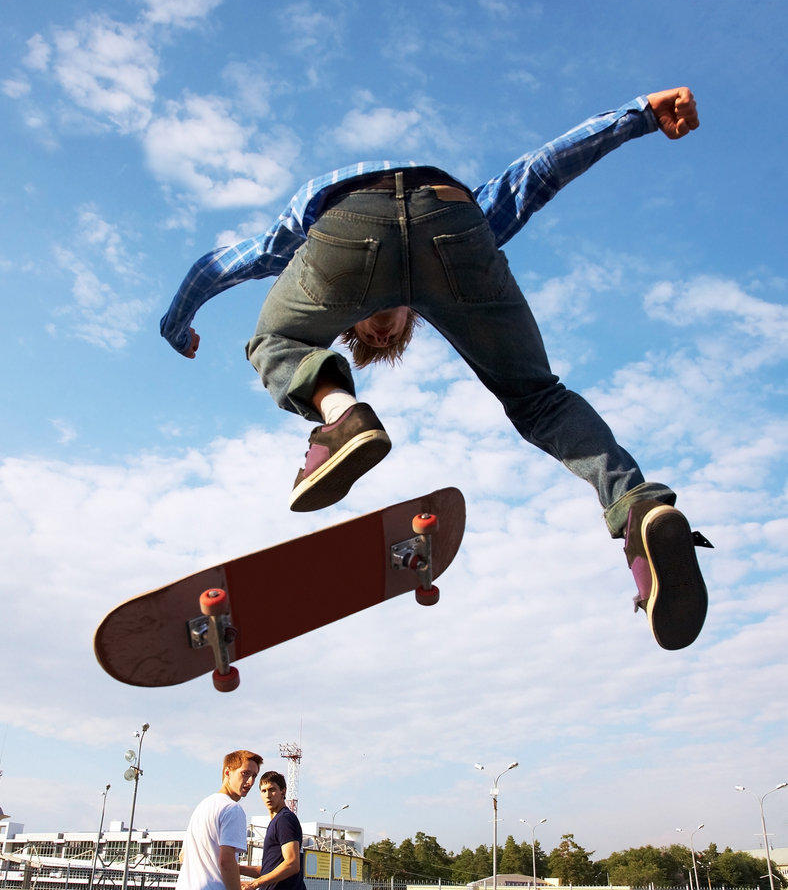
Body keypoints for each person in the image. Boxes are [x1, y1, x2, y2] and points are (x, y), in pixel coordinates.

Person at [159, 87, 709, 650]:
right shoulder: (481, 221)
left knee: (274, 339)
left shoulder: (306, 233)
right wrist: (637, 116)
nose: (378, 324)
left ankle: (340, 416)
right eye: (376, 329)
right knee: (537, 397)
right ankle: (637, 506)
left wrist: (178, 322)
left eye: (381, 330)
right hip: (452, 216)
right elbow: (534, 173)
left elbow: (226, 263)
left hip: (345, 216)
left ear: (411, 317)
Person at [177, 750, 263, 890]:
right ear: (227, 772)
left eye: (254, 775)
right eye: (245, 773)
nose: (251, 781)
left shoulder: (202, 806)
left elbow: (183, 855)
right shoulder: (232, 809)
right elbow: (226, 861)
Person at [241, 771, 305, 890]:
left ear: (283, 791)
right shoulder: (277, 821)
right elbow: (269, 871)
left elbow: (292, 864)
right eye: (263, 791)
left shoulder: (284, 819)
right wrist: (237, 869)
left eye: (272, 789)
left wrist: (255, 883)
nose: (268, 795)